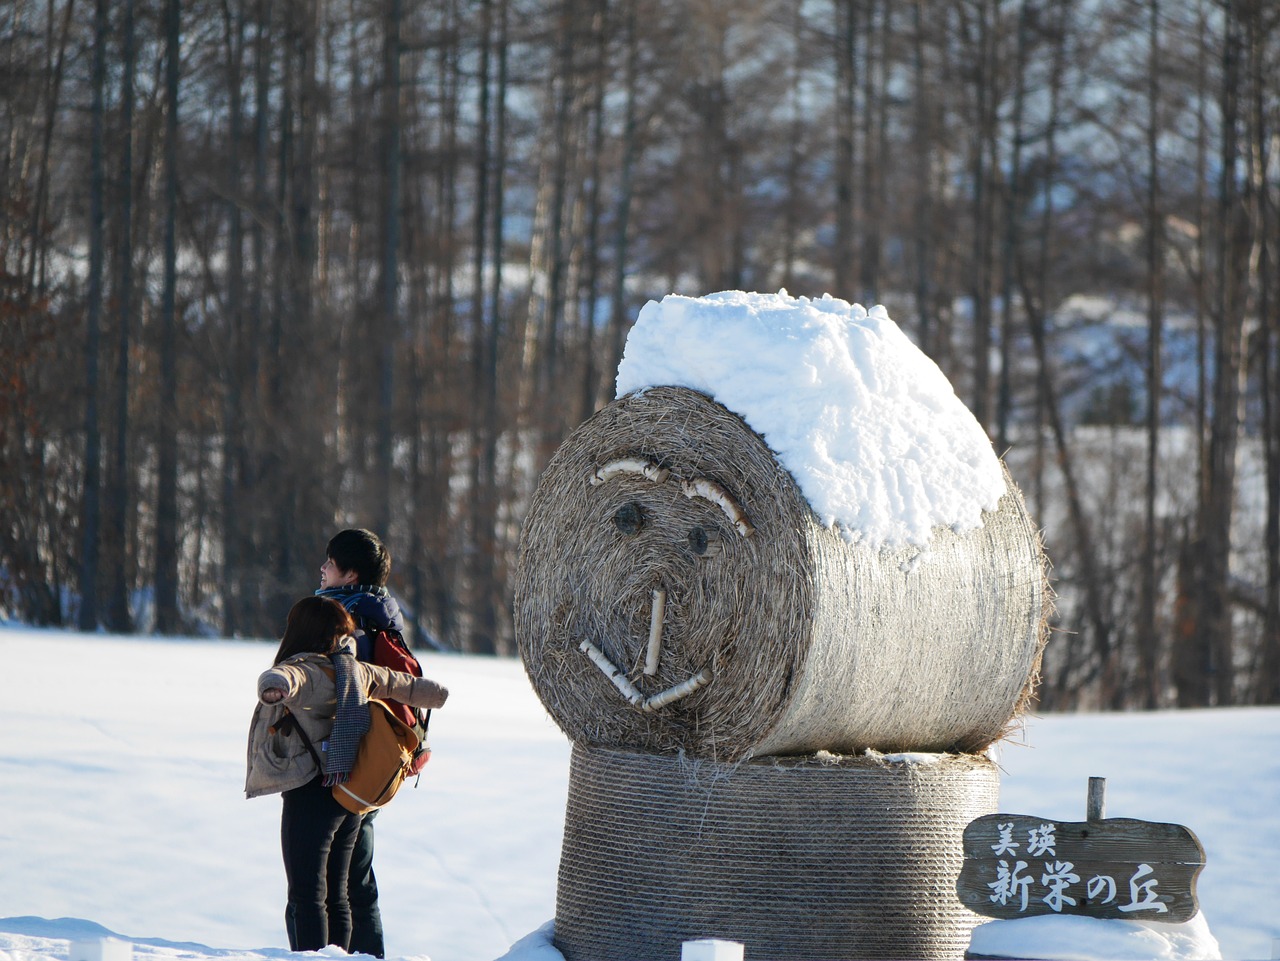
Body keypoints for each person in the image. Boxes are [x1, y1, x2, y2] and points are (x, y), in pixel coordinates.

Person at [245, 595, 448, 953]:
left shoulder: (306, 668)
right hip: (347, 790)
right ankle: (339, 957)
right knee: (337, 894)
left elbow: (284, 677)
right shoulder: (354, 669)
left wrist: (272, 686)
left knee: (306, 894)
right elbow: (400, 683)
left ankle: (311, 957)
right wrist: (437, 694)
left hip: (310, 790)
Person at [315, 528, 436, 957]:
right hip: (380, 761)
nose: (323, 569)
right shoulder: (384, 613)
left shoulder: (345, 619)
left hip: (346, 759)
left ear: (349, 575)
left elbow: (339, 695)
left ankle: (341, 954)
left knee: (333, 881)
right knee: (357, 878)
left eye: (330, 563)